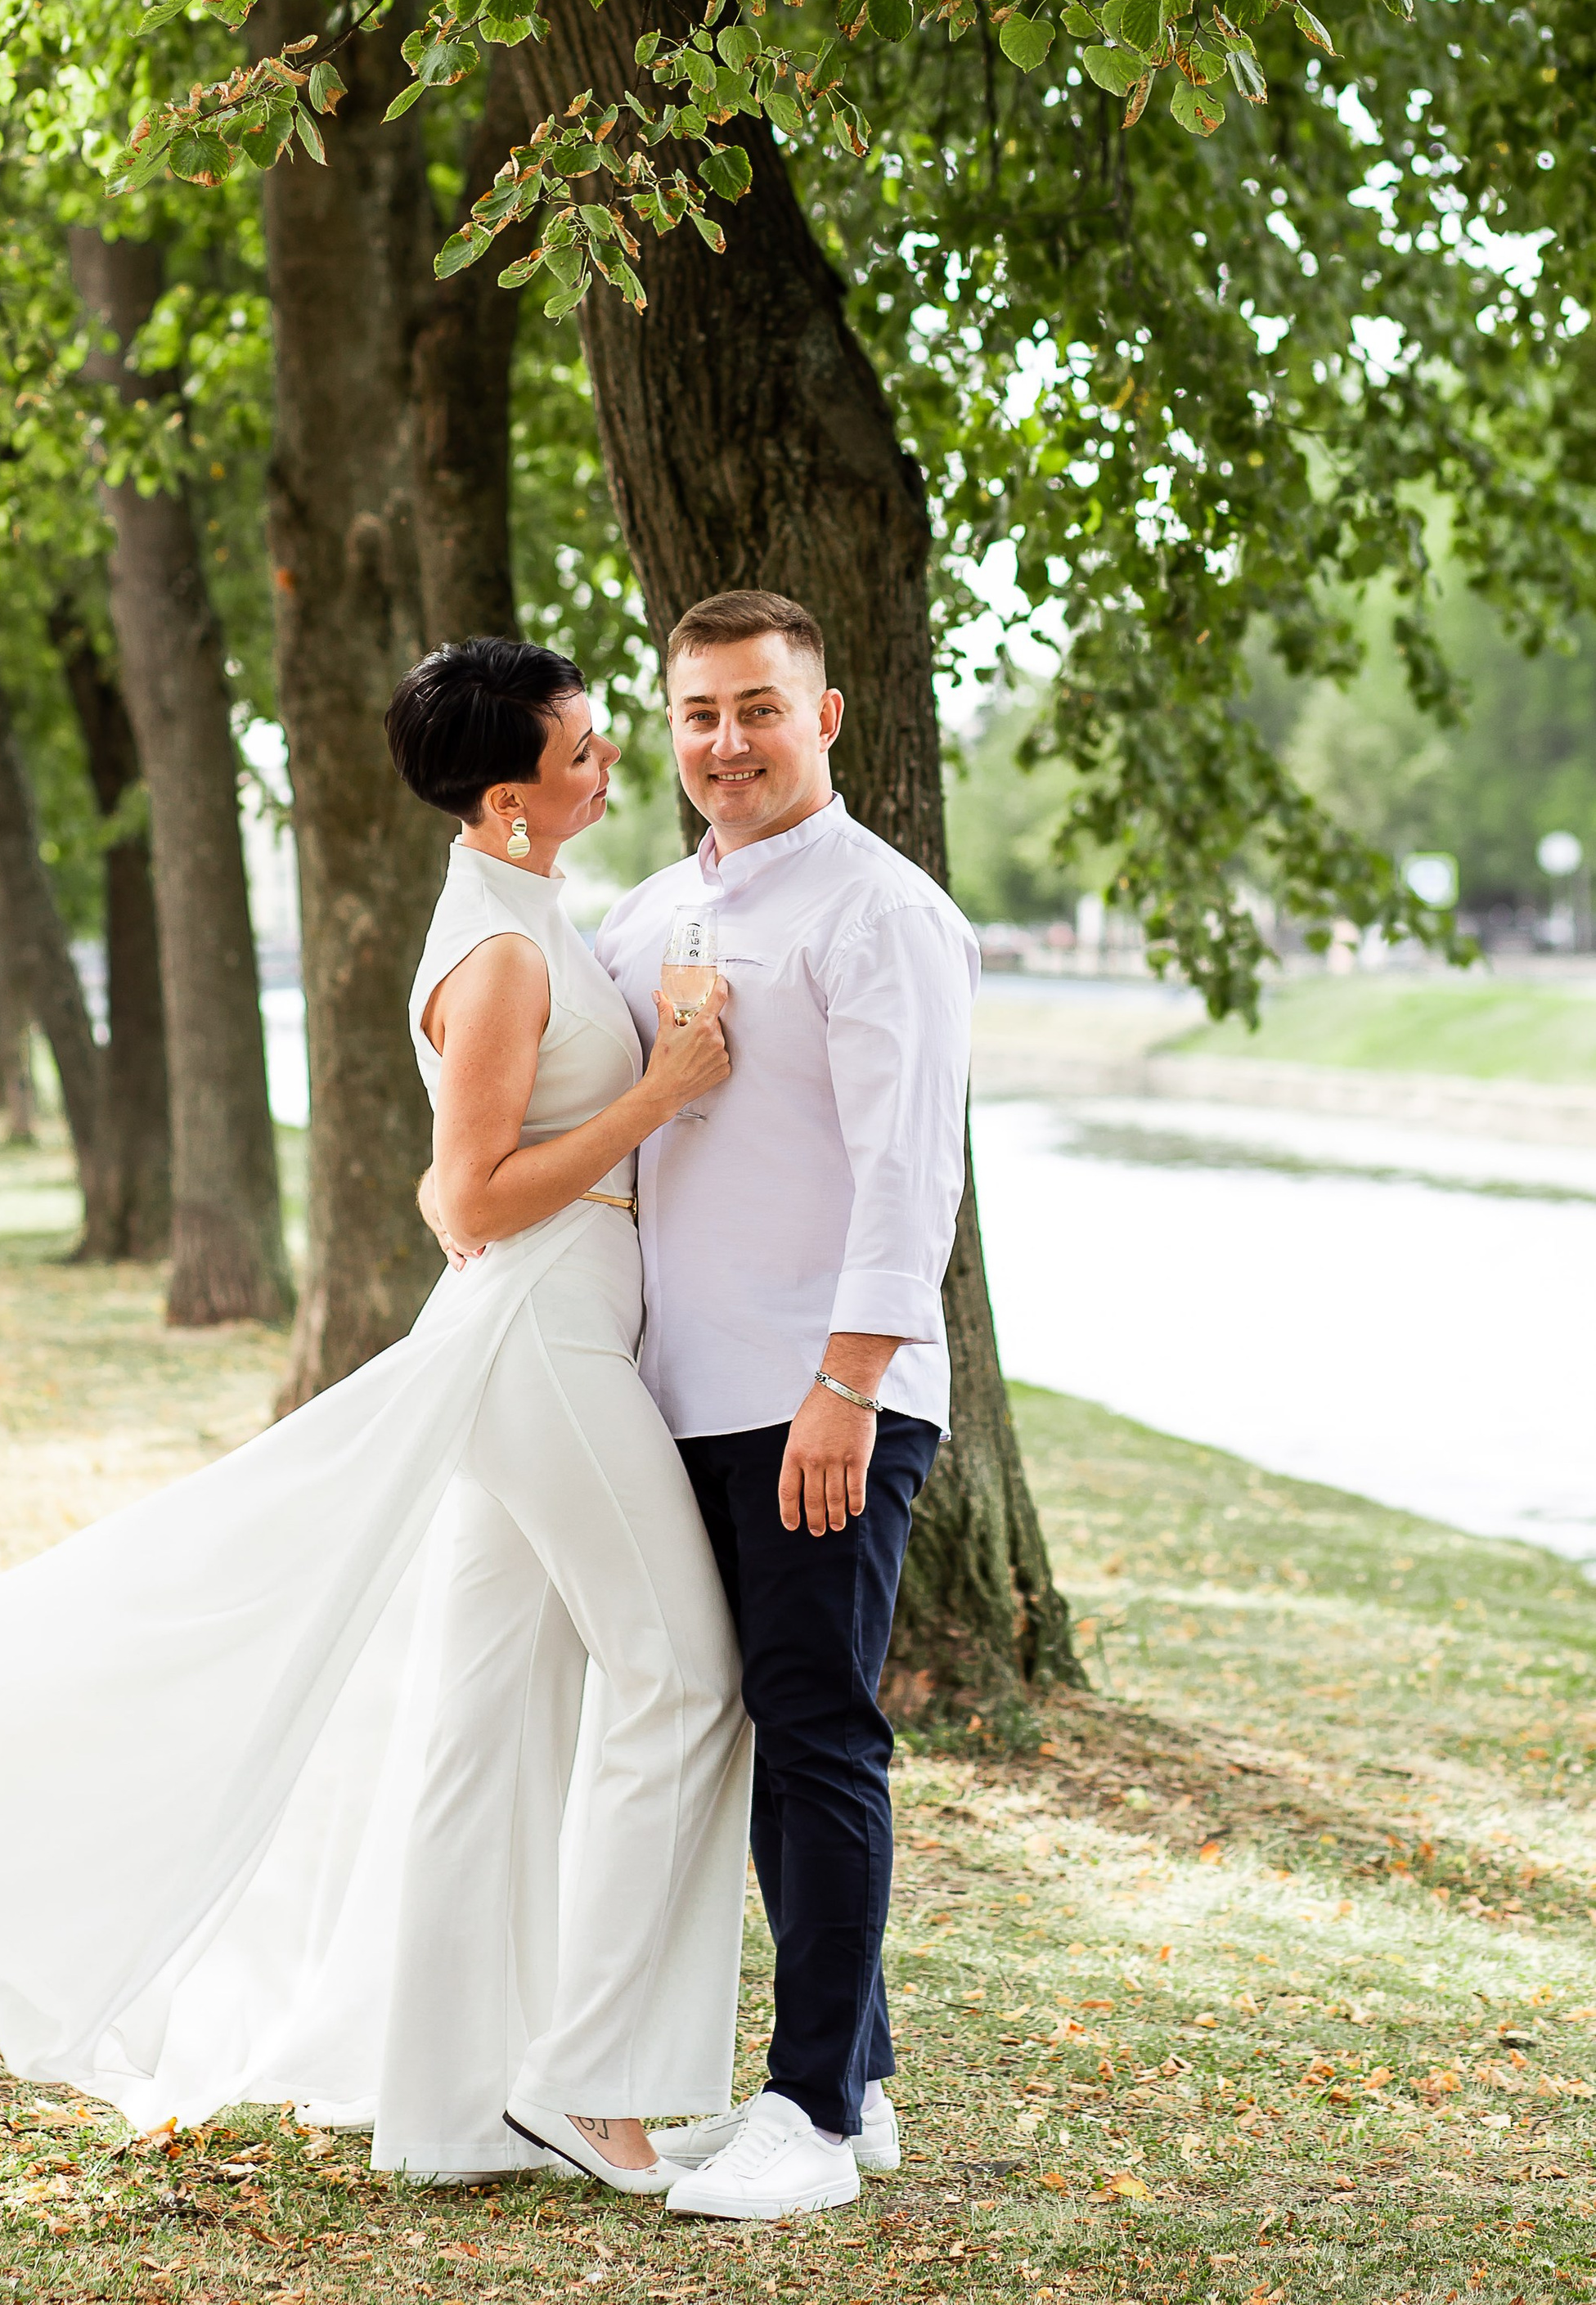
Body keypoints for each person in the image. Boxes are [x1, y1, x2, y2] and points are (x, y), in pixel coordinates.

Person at [0, 636, 751, 2194]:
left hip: (555, 1313)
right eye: (584, 749)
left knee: (485, 1719)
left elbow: (457, 1164)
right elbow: (474, 1195)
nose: (611, 762)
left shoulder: (525, 913)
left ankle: (459, 2100)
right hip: (539, 1333)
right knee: (682, 1673)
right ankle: (592, 2077)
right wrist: (663, 1093)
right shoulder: (508, 949)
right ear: (507, 797)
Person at [592, 588, 979, 2225]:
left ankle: (809, 2113)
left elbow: (908, 1179)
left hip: (821, 1395)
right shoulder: (635, 919)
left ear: (823, 718)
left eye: (756, 708)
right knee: (763, 1724)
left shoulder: (879, 913)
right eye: (696, 714)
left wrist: (847, 1384)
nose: (724, 742)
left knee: (817, 1734)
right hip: (682, 1396)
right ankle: (864, 2083)